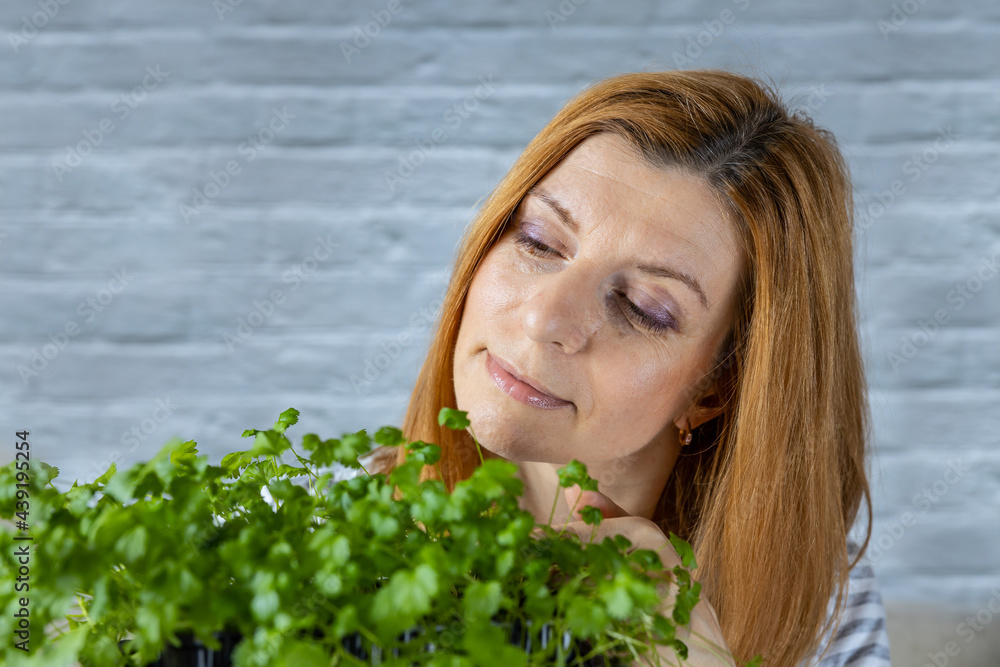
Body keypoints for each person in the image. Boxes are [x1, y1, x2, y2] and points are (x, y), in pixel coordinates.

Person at [361, 69, 892, 666]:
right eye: (538, 241)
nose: (545, 319)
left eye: (643, 309)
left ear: (717, 385)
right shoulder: (333, 529)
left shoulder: (823, 600)